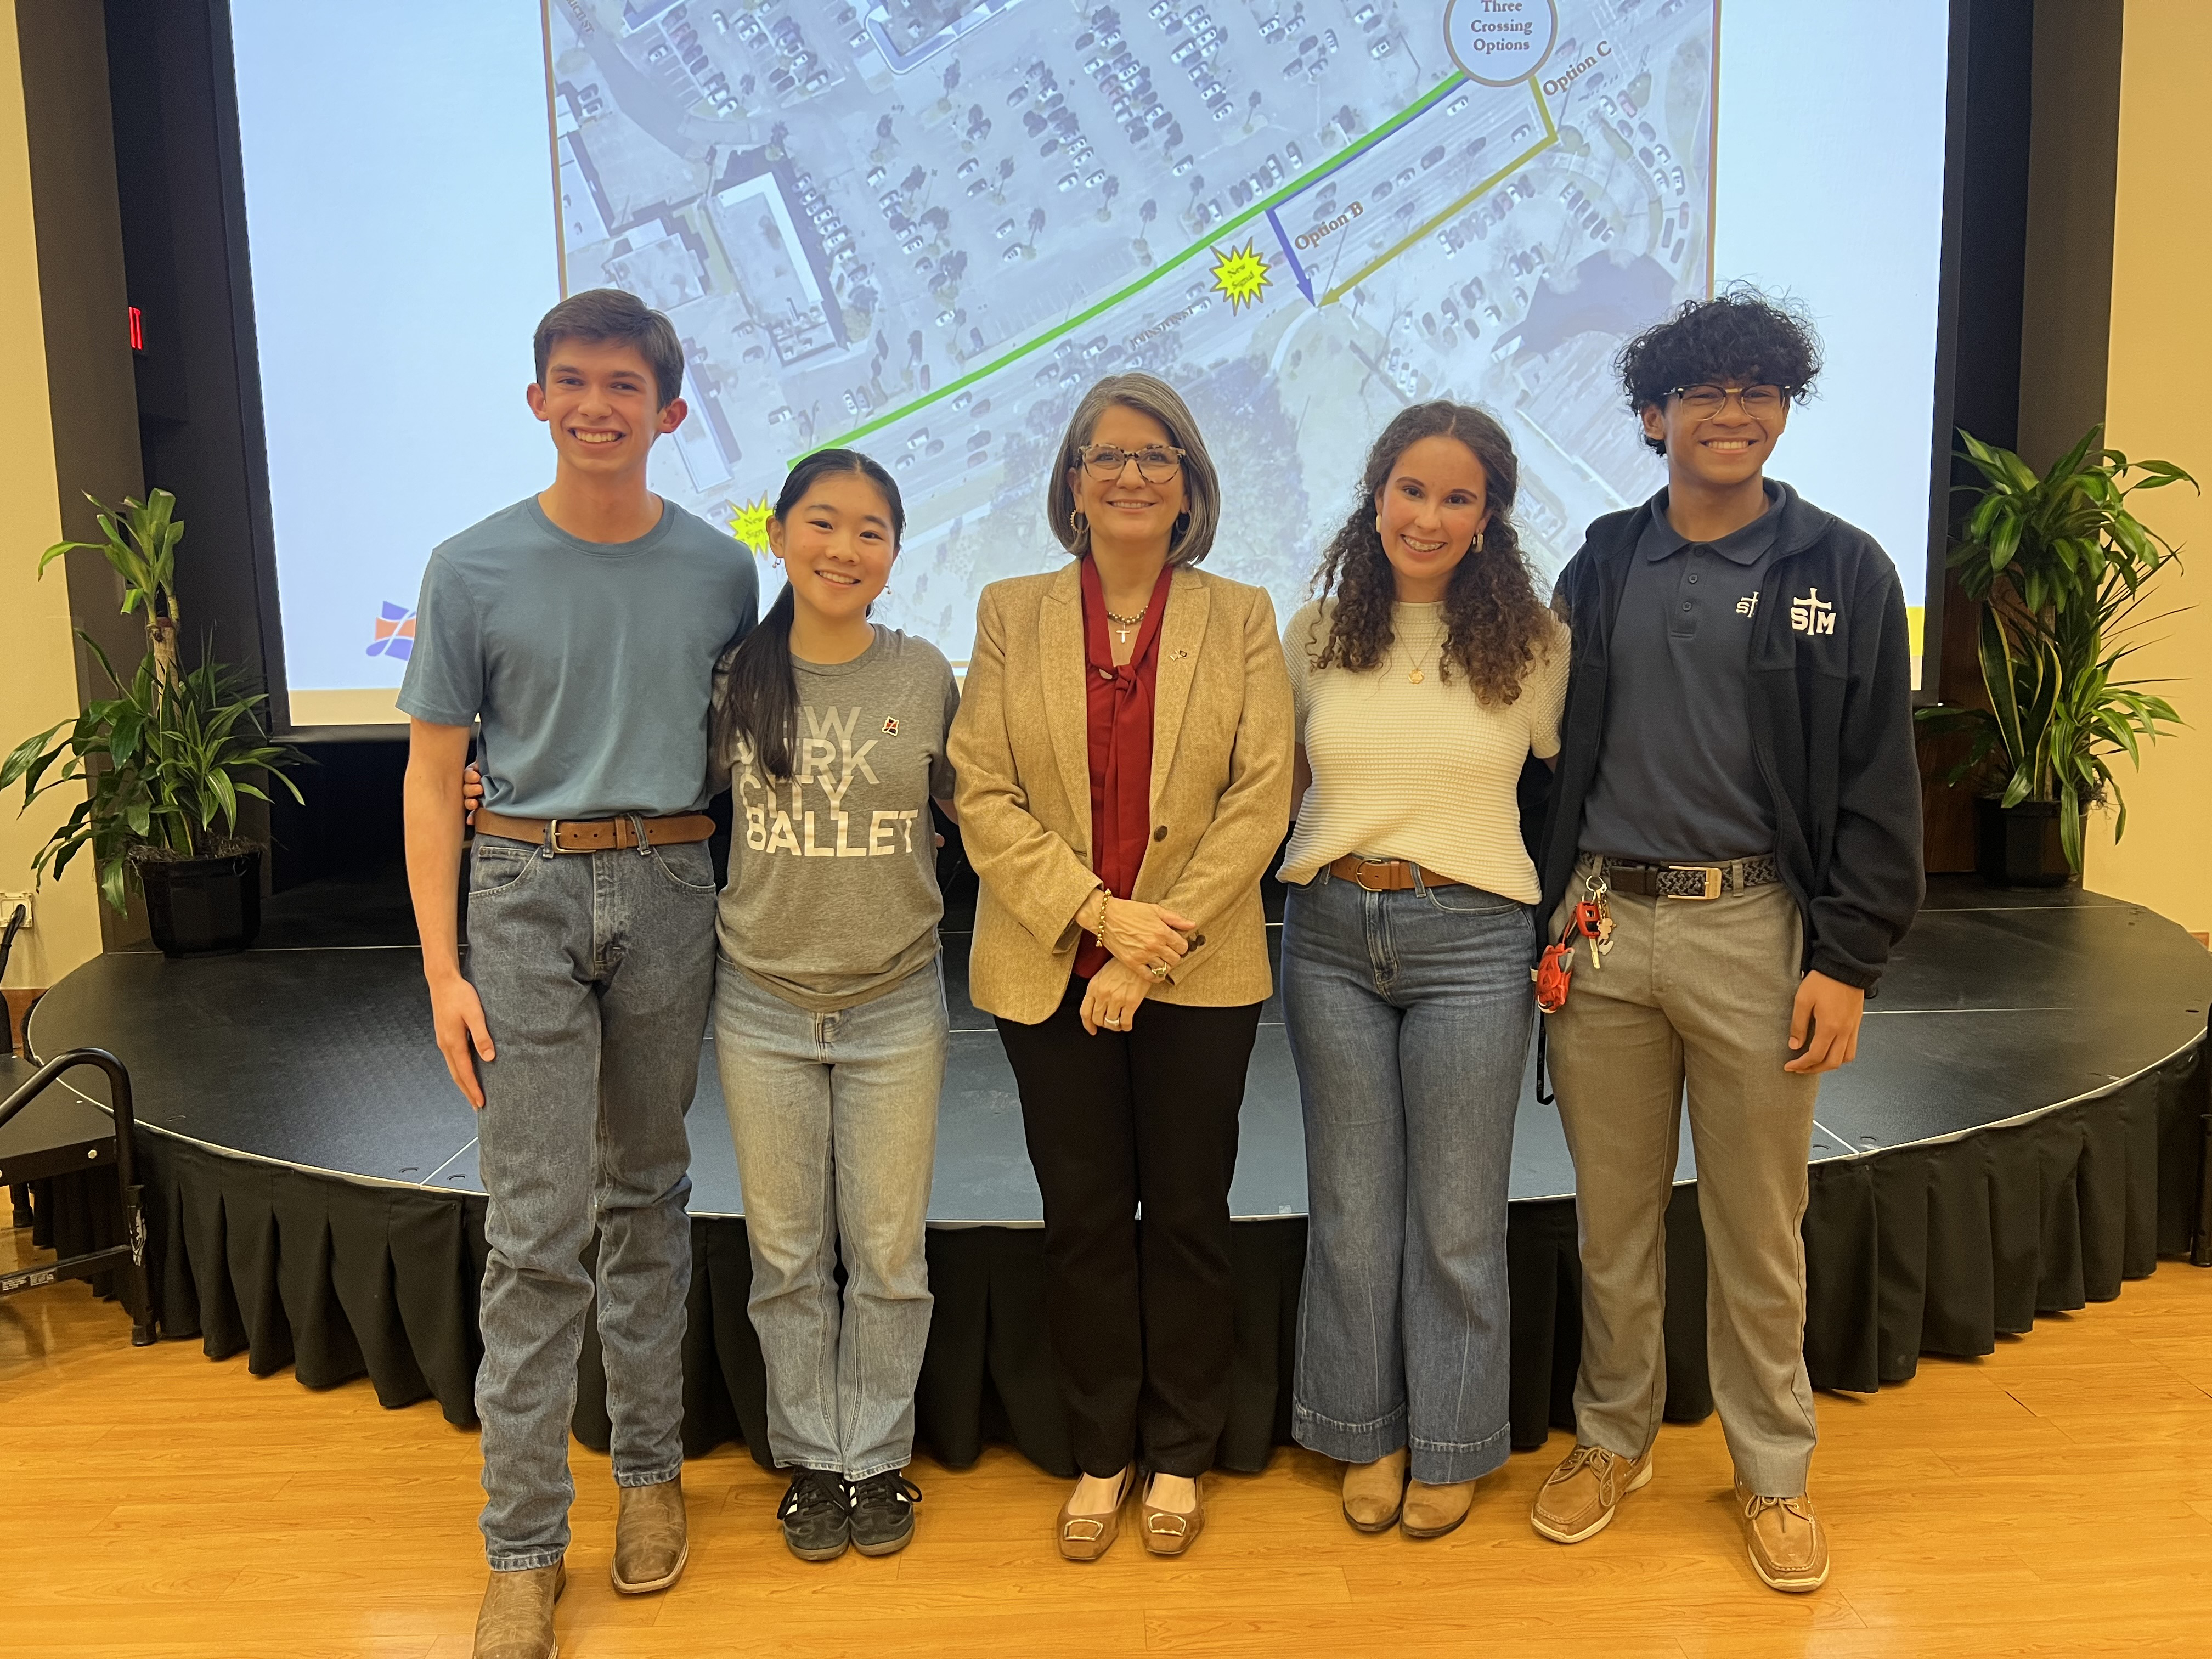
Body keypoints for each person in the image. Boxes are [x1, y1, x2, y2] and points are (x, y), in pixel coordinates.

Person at [1527, 290, 1923, 1592]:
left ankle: (1774, 1473)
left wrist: (1846, 960)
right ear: (1655, 417)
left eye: (1759, 390)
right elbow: (1549, 755)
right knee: (1614, 1223)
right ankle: (1612, 1440)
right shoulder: (1602, 561)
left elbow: (1879, 781)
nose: (1734, 412)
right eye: (1705, 392)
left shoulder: (1844, 571)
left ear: (1783, 411)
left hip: (1755, 928)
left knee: (1760, 1229)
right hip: (1603, 930)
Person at [398, 289, 758, 1659]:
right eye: (573, 381)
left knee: (649, 1193)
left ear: (669, 413)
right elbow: (433, 776)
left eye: (624, 386)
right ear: (537, 399)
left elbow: (740, 745)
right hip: (522, 895)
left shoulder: (721, 572)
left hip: (670, 887)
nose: (596, 405)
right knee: (535, 1228)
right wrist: (442, 968)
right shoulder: (469, 568)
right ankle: (523, 1547)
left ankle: (651, 1475)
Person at [949, 373, 1293, 1560]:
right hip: (1047, 965)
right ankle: (1104, 1452)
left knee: (1190, 1216)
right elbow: (982, 791)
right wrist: (1096, 915)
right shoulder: (1012, 611)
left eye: (1157, 456)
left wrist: (1150, 946)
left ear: (1189, 483)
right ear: (1074, 482)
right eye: (1108, 455)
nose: (1133, 475)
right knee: (1084, 1218)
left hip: (1198, 974)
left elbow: (1261, 799)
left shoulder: (1241, 616)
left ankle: (1182, 1451)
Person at [1277, 402, 1567, 1539]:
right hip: (1331, 934)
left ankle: (1451, 1440)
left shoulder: (1536, 646)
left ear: (1488, 517)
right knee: (1352, 1209)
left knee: (1455, 1218)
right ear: (1376, 496)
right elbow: (1282, 786)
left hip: (1474, 943)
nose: (1429, 517)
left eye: (1457, 498)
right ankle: (1367, 1433)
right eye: (1411, 490)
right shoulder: (1315, 634)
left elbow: (1564, 789)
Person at [705, 449, 958, 1563]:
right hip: (760, 1001)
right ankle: (814, 1457)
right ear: (779, 535)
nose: (843, 548)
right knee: (788, 1255)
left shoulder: (923, 675)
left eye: (870, 531)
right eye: (822, 522)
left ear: (894, 555)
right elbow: (657, 792)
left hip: (895, 1001)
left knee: (890, 1255)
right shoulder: (734, 678)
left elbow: (982, 801)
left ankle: (878, 1457)